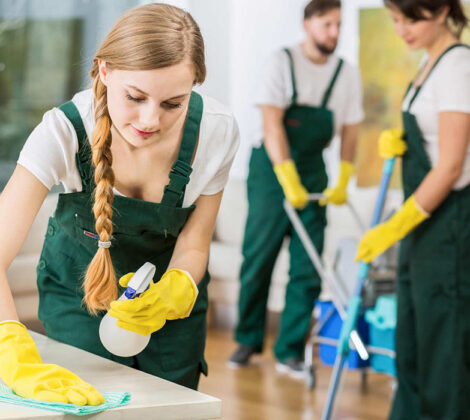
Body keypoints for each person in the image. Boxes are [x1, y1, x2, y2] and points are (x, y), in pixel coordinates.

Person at [0, 3, 239, 405]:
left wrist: (177, 288)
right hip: (81, 300)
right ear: (105, 71)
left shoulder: (216, 132)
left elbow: (196, 242)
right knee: (89, 405)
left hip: (166, 312)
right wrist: (11, 351)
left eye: (172, 103)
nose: (150, 120)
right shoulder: (63, 132)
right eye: (135, 96)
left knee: (171, 410)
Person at [229, 0, 364, 377]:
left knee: (308, 262)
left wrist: (343, 177)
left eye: (338, 25)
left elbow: (351, 129)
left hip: (314, 169)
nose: (334, 33)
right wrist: (287, 177)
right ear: (308, 24)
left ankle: (288, 349)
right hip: (272, 169)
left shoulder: (345, 74)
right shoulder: (281, 62)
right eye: (326, 24)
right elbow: (272, 124)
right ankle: (247, 339)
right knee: (260, 256)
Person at [356, 1, 470, 419]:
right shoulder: (429, 63)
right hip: (426, 223)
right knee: (414, 334)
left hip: (451, 223)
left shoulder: (458, 66)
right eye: (396, 19)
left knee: (444, 343)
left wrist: (395, 224)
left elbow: (452, 165)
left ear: (441, 11)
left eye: (411, 18)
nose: (401, 29)